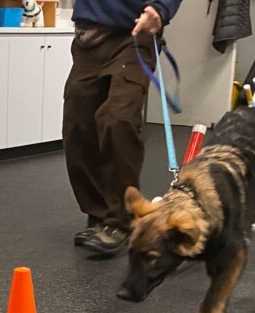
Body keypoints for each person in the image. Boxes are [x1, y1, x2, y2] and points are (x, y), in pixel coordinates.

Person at [65, 0, 184, 256]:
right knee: (78, 126)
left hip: (133, 34)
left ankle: (121, 220)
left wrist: (161, 8)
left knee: (118, 119)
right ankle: (98, 215)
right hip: (88, 37)